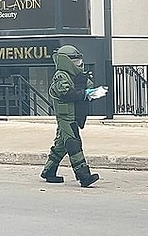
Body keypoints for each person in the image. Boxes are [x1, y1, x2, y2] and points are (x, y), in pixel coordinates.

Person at [40, 44, 106, 187]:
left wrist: (91, 89)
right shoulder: (60, 76)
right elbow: (66, 93)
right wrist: (84, 92)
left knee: (61, 145)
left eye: (79, 61)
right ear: (66, 62)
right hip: (65, 116)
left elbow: (88, 86)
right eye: (75, 62)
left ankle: (49, 171)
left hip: (74, 115)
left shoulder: (75, 75)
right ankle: (83, 176)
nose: (79, 65)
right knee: (73, 143)